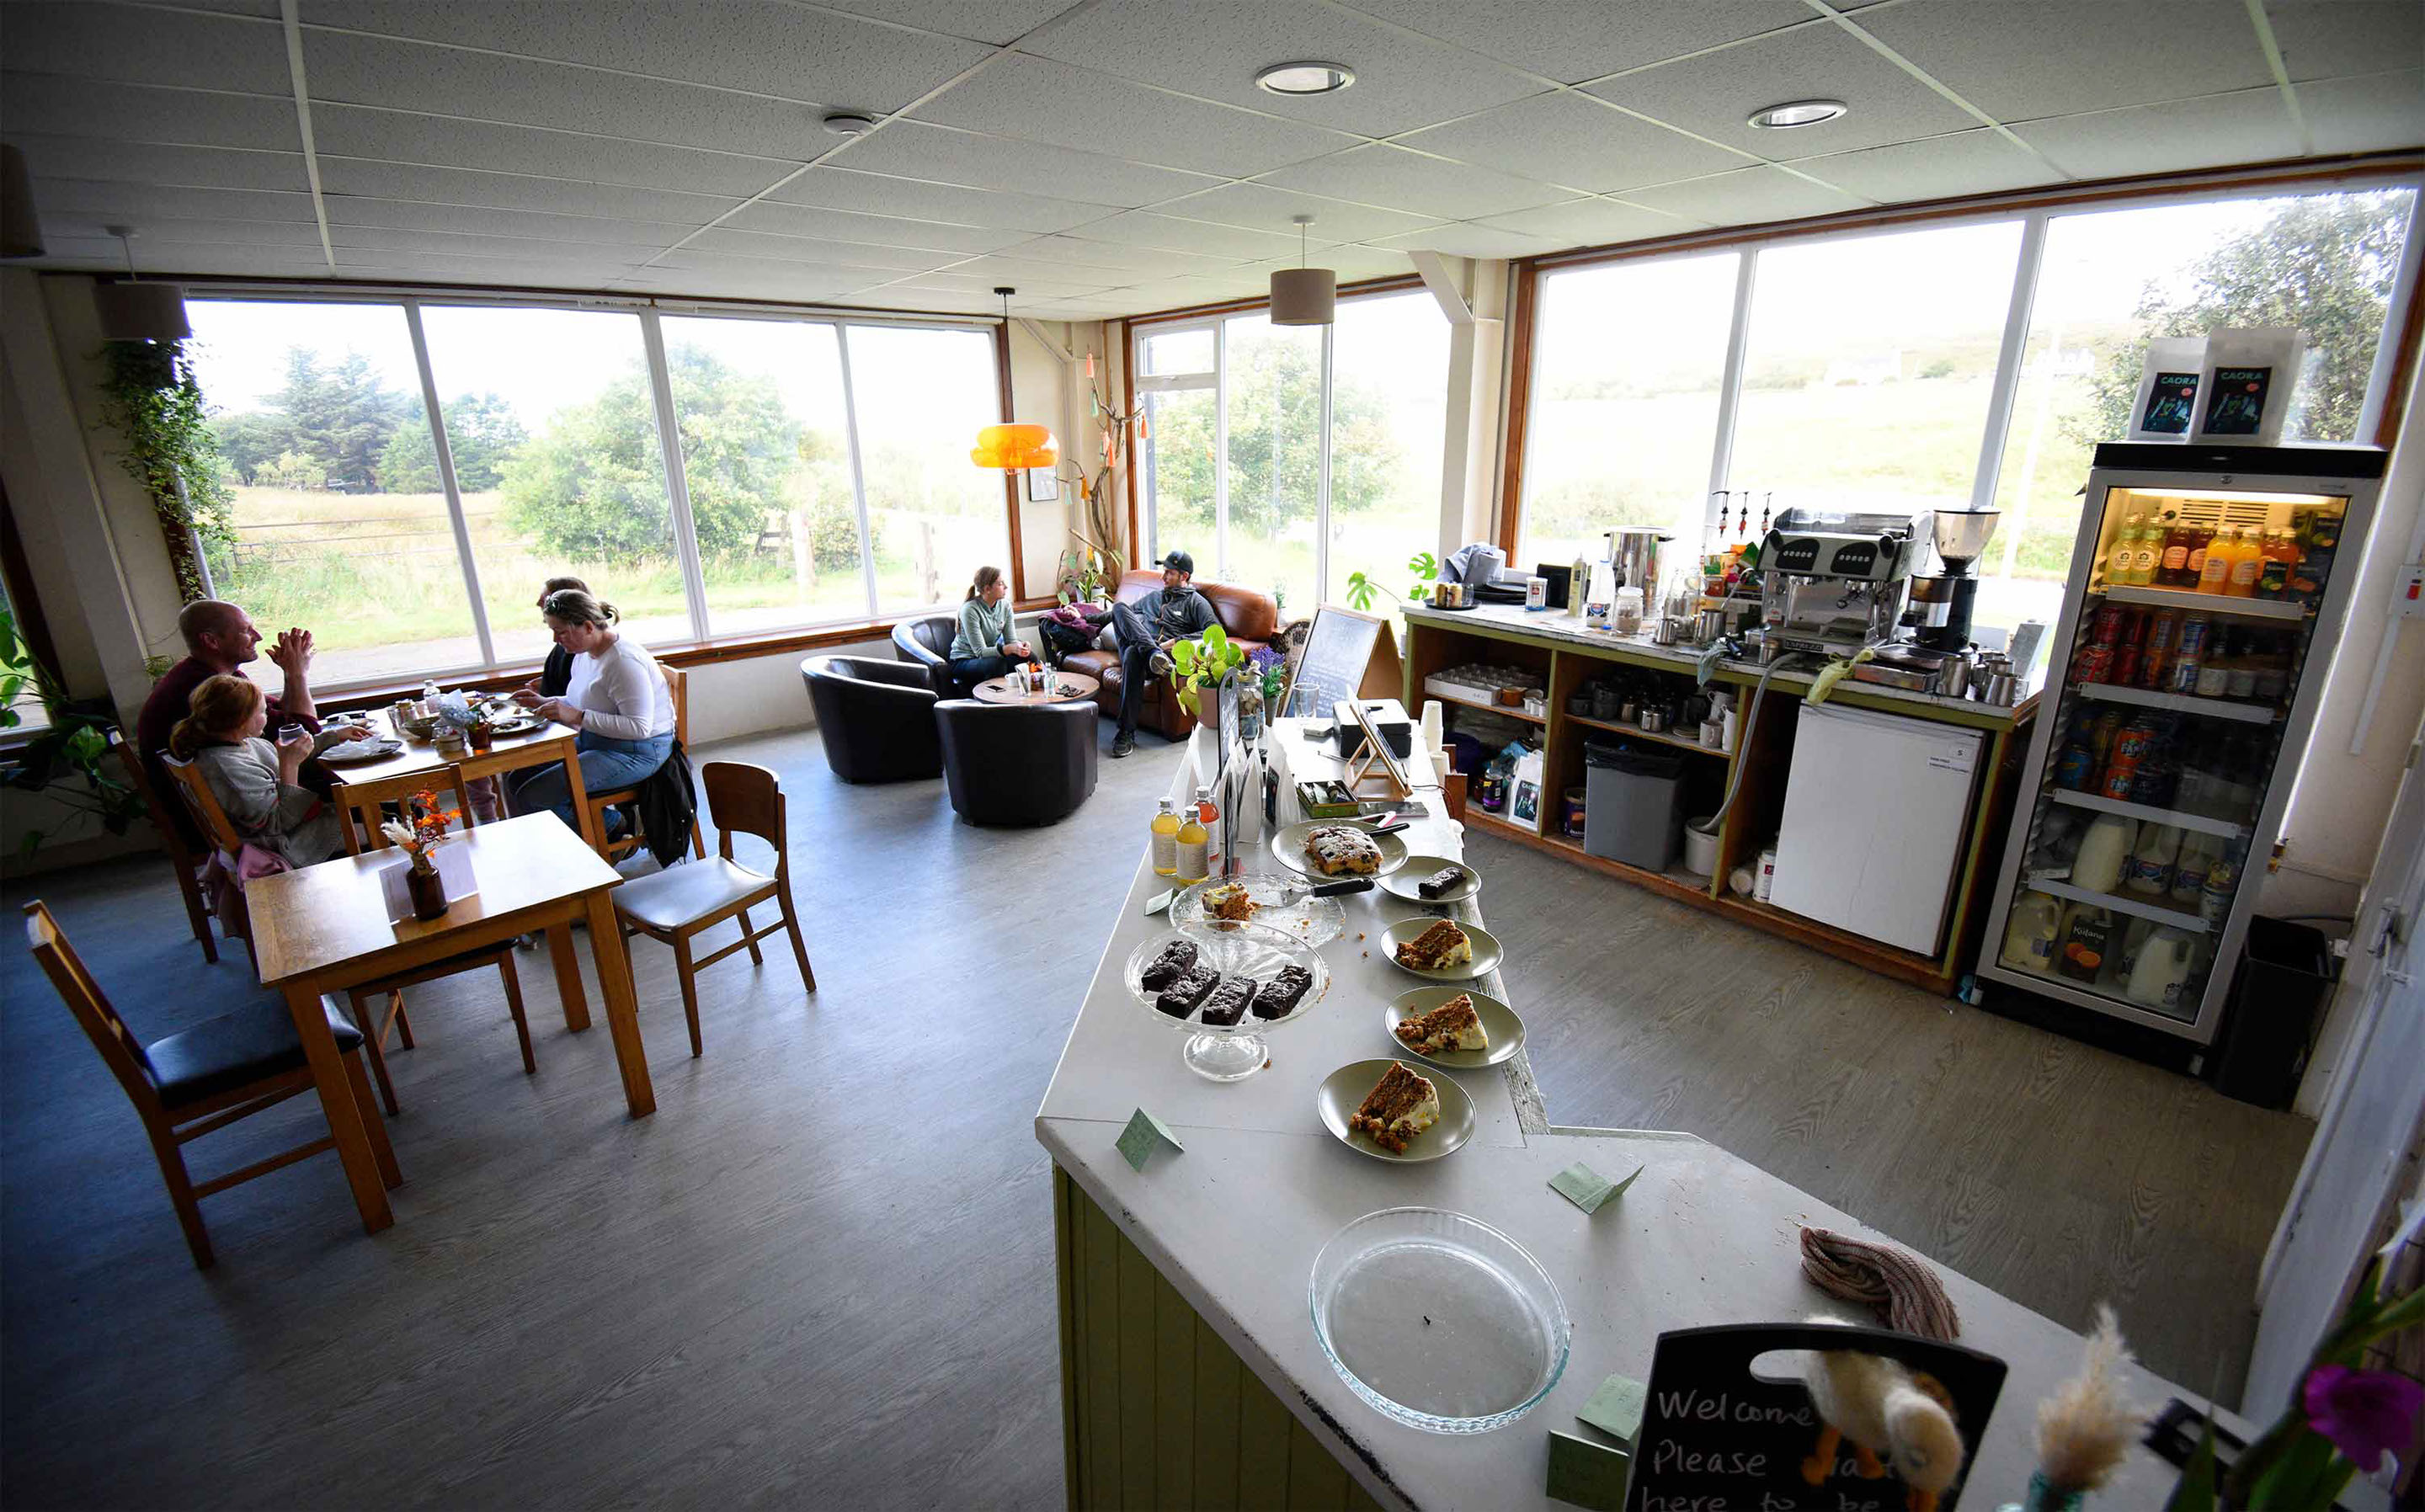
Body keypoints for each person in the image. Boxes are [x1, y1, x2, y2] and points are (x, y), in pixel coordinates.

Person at [137, 600, 325, 846]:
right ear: (212, 641)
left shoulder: (214, 675)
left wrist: (291, 674)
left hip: (242, 809)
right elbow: (301, 732)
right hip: (241, 830)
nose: (257, 636)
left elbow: (281, 717)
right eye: (247, 630)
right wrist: (297, 673)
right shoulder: (205, 689)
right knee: (356, 795)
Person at [508, 588, 675, 834]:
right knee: (517, 778)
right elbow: (584, 699)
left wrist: (575, 716)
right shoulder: (585, 652)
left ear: (588, 626)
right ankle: (570, 839)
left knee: (534, 796)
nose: (556, 639)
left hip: (639, 751)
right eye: (553, 630)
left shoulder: (623, 661)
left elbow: (639, 728)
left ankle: (614, 826)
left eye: (561, 631)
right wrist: (544, 700)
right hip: (599, 741)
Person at [167, 673, 362, 868]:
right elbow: (278, 823)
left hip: (300, 827)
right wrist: (290, 765)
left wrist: (334, 737)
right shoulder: (227, 769)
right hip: (290, 845)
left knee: (371, 809)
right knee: (383, 824)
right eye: (262, 712)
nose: (267, 716)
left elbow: (284, 757)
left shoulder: (244, 744)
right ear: (242, 720)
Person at [1109, 550, 1216, 759]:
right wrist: (1084, 617)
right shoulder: (1155, 597)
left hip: (1165, 659)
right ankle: (1151, 652)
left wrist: (1176, 642)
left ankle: (1125, 733)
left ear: (1184, 576)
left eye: (1169, 573)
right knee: (1120, 608)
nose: (1163, 577)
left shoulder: (1196, 602)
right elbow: (1123, 615)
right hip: (1147, 652)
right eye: (1163, 572)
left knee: (1131, 653)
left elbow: (1214, 631)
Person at [947, 566, 1036, 689]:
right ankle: (1000, 703)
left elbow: (1011, 641)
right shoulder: (970, 610)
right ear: (987, 589)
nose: (1006, 587)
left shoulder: (1005, 605)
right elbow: (980, 652)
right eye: (1000, 584)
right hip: (964, 661)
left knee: (1029, 657)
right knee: (997, 664)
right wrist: (1008, 649)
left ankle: (1032, 698)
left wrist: (1020, 647)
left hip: (989, 656)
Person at [521, 575, 591, 700]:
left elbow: (578, 700)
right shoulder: (565, 646)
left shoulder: (577, 649)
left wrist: (544, 698)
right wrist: (545, 685)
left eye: (544, 599)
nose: (538, 603)